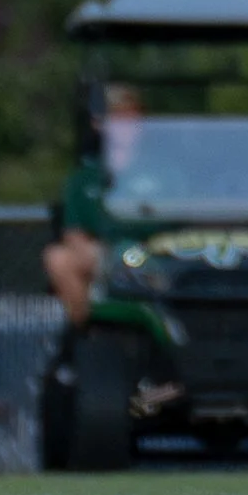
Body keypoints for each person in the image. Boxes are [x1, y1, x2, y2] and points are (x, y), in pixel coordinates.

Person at [43, 84, 146, 331]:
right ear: (99, 124)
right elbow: (73, 234)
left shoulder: (162, 171)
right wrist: (106, 255)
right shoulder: (83, 178)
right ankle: (90, 332)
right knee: (57, 258)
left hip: (152, 254)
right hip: (107, 257)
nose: (123, 127)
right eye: (115, 117)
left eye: (129, 118)